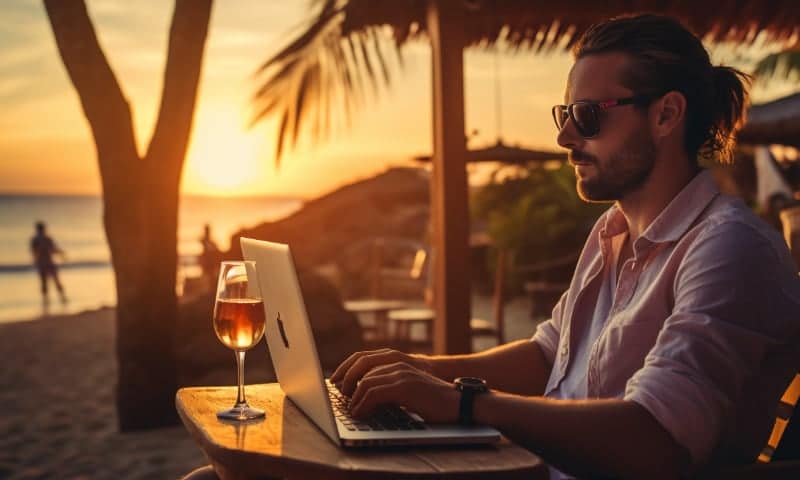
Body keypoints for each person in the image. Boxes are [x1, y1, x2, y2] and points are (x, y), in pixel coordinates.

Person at [330, 14, 800, 479]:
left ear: (666, 115)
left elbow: (658, 438)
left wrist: (465, 402)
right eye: (566, 115)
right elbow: (548, 354)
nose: (564, 137)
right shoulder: (611, 233)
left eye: (587, 116)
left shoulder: (728, 250)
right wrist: (422, 369)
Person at [30, 221, 67, 303]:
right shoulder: (45, 239)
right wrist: (61, 254)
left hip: (43, 263)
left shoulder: (36, 239)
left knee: (45, 282)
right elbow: (53, 249)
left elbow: (34, 252)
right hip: (48, 263)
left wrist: (35, 261)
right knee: (54, 281)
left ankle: (47, 300)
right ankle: (62, 298)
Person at [199, 223, 220, 289]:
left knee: (211, 277)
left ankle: (210, 290)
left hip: (210, 263)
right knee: (208, 277)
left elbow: (215, 250)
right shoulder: (205, 240)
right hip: (207, 263)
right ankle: (208, 290)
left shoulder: (209, 241)